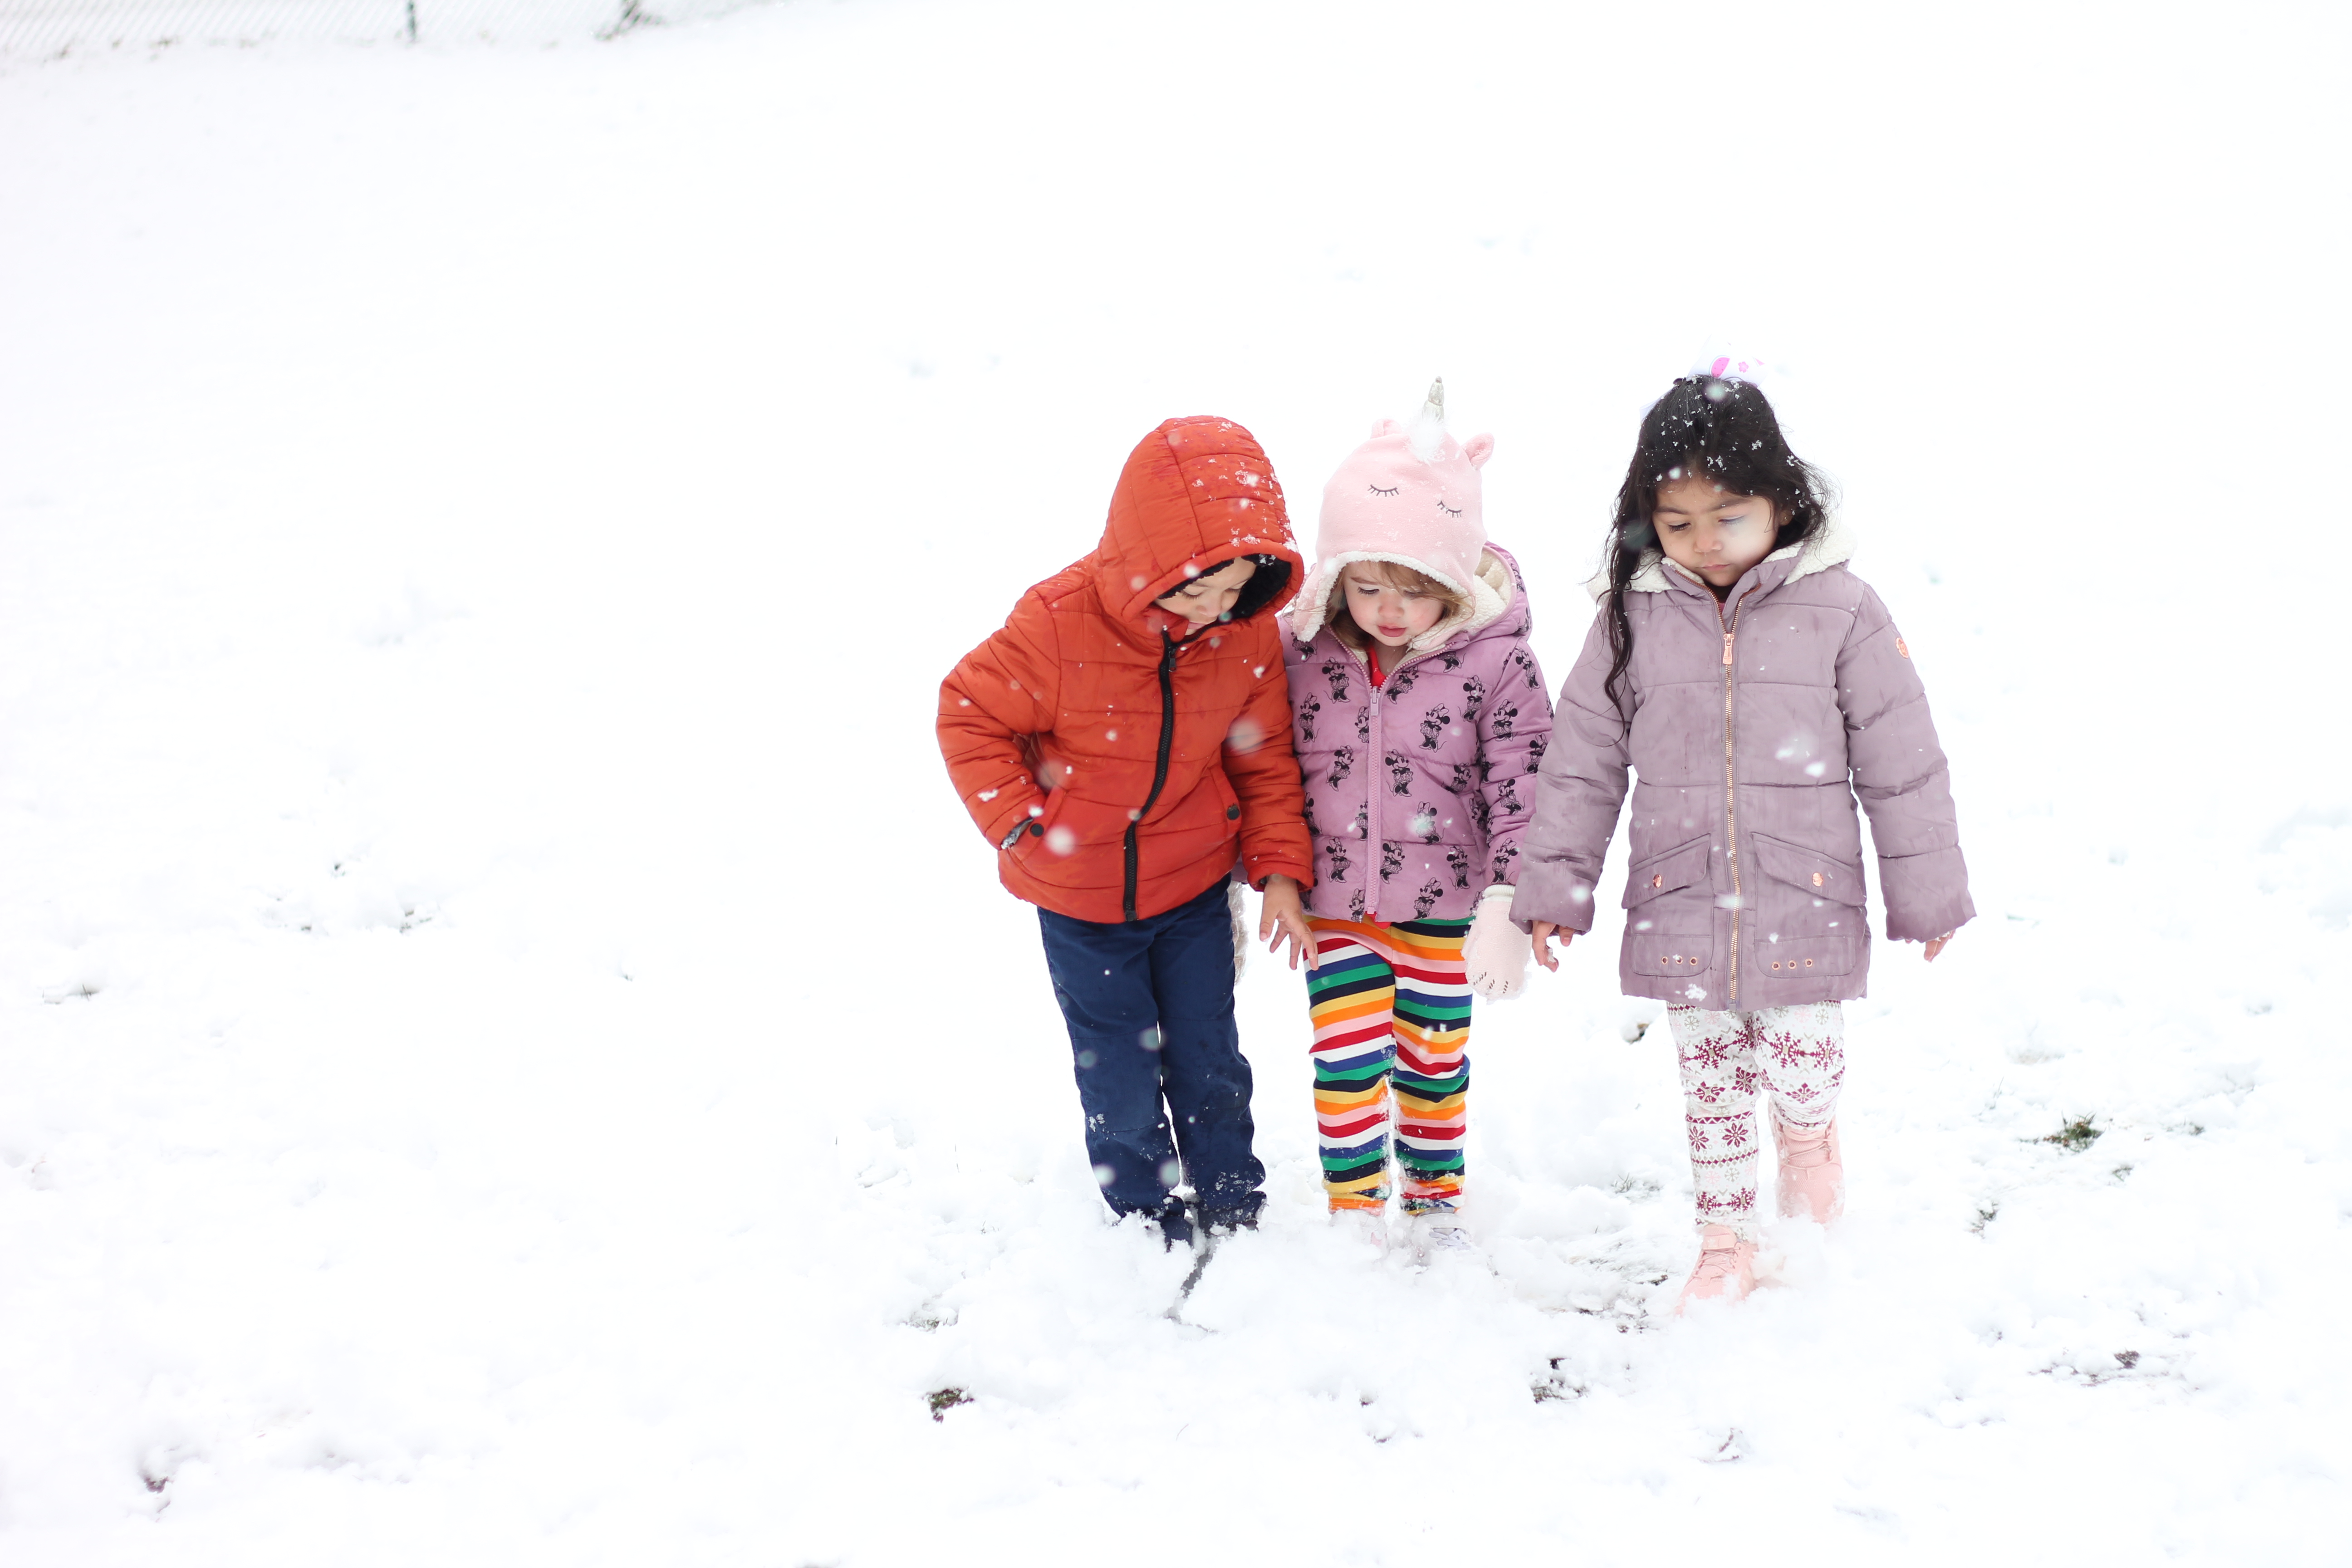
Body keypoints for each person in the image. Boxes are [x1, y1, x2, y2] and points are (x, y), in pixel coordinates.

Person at [1514, 367, 1972, 1308]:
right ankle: (1725, 1241)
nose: (1704, 543)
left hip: (1805, 893)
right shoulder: (1632, 619)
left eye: (1728, 517)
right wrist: (1556, 886)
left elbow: (1903, 758)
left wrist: (1925, 892)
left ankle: (1809, 1136)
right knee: (1712, 1087)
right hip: (1682, 894)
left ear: (1782, 503)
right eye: (1677, 525)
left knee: (1804, 1068)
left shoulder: (1841, 608)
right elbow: (1584, 761)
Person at [938, 415, 1318, 1250]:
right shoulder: (1057, 625)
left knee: (1209, 1055)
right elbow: (969, 715)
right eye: (1195, 591)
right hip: (1080, 902)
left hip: (1192, 891)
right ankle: (1144, 1215)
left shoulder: (1244, 633)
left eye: (1235, 590)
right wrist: (1024, 827)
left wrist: (1280, 868)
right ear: (1149, 566)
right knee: (1117, 1067)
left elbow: (1263, 762)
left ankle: (1230, 1199)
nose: (1215, 612)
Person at [1282, 382, 1553, 1259]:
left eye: (1415, 589)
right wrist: (1275, 871)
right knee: (1346, 1062)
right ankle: (1354, 1210)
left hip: (1445, 904)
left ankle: (1434, 1201)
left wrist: (1515, 895)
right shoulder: (1302, 657)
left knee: (1433, 1062)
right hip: (1336, 906)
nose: (1389, 610)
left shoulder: (1497, 664)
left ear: (1456, 582)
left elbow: (1526, 776)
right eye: (1367, 587)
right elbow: (1266, 768)